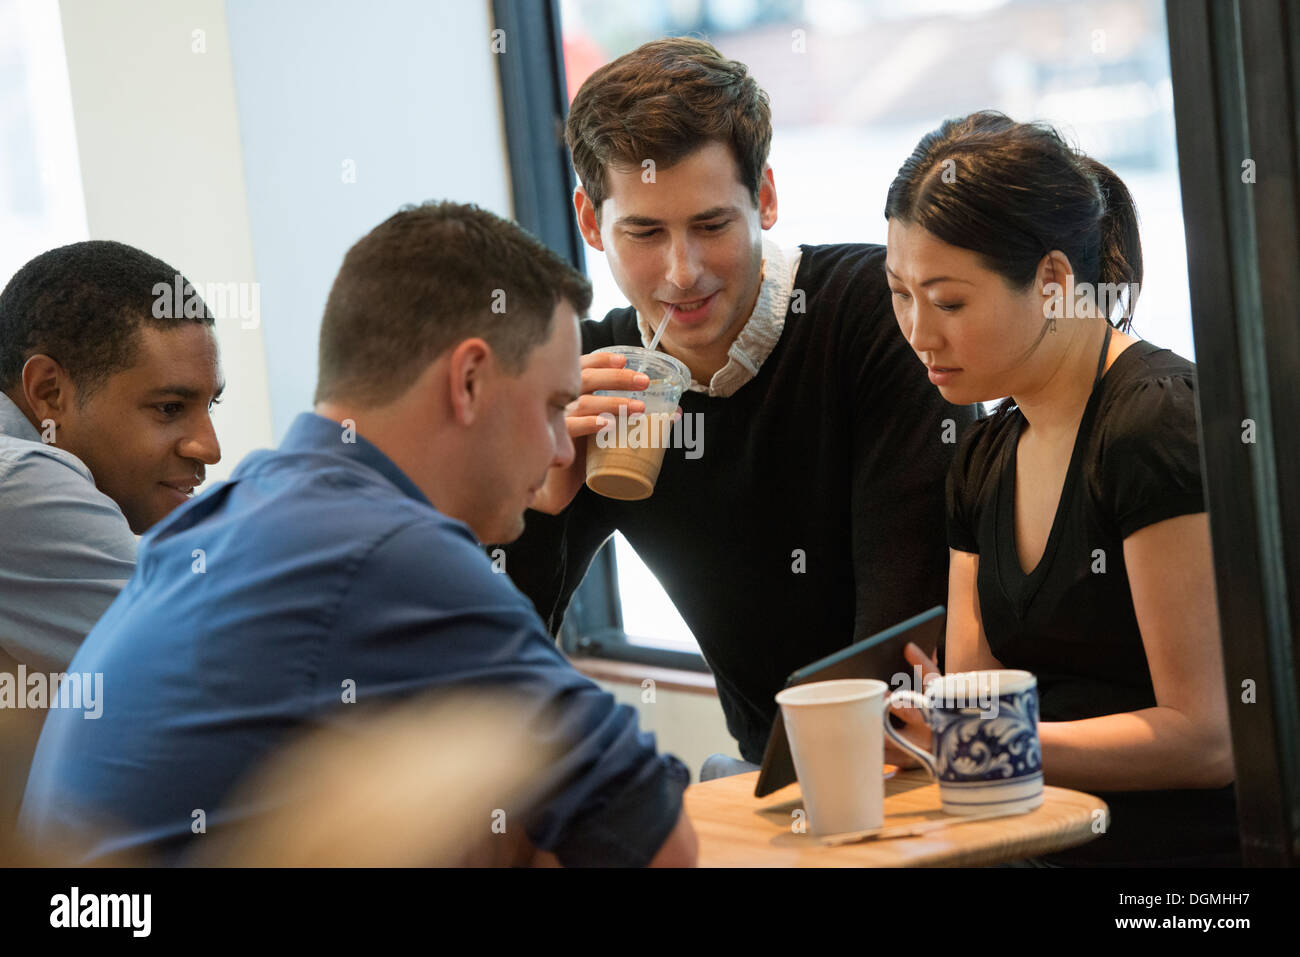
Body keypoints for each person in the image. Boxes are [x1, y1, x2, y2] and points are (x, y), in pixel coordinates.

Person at [20, 202, 696, 868]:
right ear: (468, 380)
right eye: (554, 406)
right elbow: (660, 842)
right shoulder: (388, 551)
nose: (557, 450)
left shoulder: (239, 508)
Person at [500, 38, 978, 775]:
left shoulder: (875, 315)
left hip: (914, 761)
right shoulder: (594, 377)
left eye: (712, 225)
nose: (682, 272)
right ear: (591, 224)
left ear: (769, 199)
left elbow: (906, 643)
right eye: (645, 232)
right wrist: (539, 503)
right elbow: (496, 673)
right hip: (767, 780)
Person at [881, 111, 1239, 866]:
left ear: (1052, 281)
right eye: (900, 294)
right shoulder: (981, 457)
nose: (918, 331)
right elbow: (975, 705)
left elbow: (1211, 735)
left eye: (947, 301)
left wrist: (985, 740)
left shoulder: (1154, 422)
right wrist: (932, 727)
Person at [0, 240, 224, 674]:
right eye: (169, 408)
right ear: (49, 392)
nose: (209, 449)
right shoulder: (21, 479)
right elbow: (219, 672)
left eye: (210, 406)